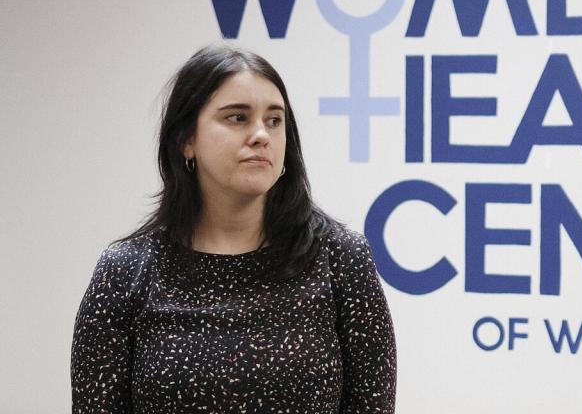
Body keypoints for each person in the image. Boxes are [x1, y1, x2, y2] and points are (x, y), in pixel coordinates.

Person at [71, 44, 397, 413]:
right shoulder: (124, 271)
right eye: (237, 118)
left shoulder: (340, 259)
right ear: (186, 141)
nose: (261, 135)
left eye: (274, 120)